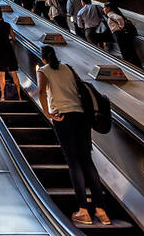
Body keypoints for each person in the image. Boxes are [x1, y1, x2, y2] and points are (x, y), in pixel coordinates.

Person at [37, 45, 111, 226]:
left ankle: (83, 210)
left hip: (62, 117)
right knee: (87, 160)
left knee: (74, 163)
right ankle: (101, 212)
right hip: (81, 116)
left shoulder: (43, 70)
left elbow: (40, 90)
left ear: (43, 58)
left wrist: (47, 113)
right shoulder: (69, 68)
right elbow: (82, 87)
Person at [0, 7, 22, 101]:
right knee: (13, 72)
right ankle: (19, 96)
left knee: (2, 74)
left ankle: (3, 96)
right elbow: (13, 38)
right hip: (8, 49)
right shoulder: (7, 25)